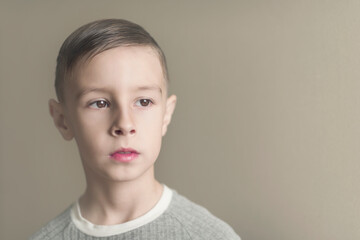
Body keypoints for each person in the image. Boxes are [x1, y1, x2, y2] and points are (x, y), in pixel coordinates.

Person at [30, 19, 240, 240]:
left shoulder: (209, 235)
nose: (124, 124)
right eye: (100, 103)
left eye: (143, 102)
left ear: (166, 115)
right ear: (63, 120)